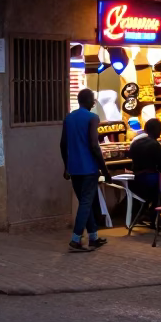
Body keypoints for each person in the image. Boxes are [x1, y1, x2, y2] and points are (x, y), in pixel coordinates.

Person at [60, 89, 112, 253]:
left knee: (85, 203)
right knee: (85, 203)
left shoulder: (69, 118)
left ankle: (93, 237)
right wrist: (104, 170)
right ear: (89, 101)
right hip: (88, 168)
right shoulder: (92, 118)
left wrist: (66, 166)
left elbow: (62, 144)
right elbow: (94, 146)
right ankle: (75, 240)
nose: (94, 103)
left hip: (74, 168)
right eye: (93, 100)